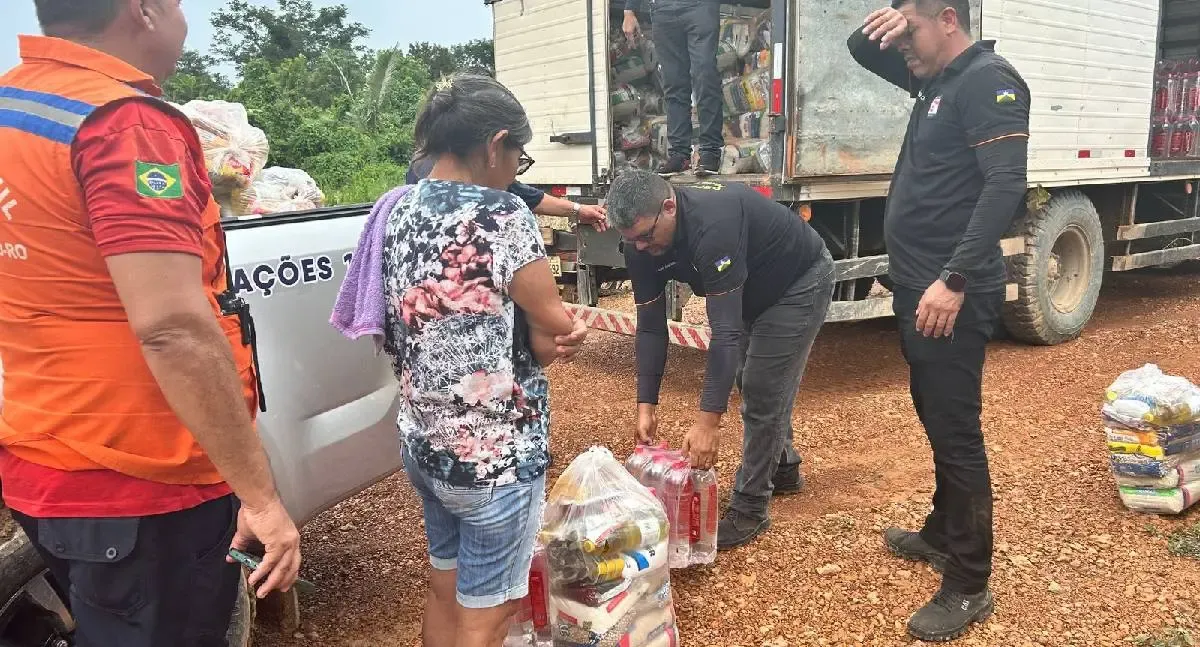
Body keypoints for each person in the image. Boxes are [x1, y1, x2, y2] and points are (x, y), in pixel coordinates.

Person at [0, 0, 302, 644]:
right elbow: (172, 325)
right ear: (143, 8)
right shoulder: (124, 124)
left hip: (39, 454)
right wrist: (262, 499)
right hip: (143, 478)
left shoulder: (14, 109)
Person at [848, 0, 1030, 641]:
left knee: (956, 431)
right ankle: (941, 530)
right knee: (932, 408)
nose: (904, 48)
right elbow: (861, 49)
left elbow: (1005, 186)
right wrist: (891, 23)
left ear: (949, 18)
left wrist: (953, 279)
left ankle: (969, 582)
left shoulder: (987, 79)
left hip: (953, 294)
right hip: (920, 290)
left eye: (914, 30)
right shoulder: (937, 80)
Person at [386, 73, 588, 647]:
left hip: (424, 442)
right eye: (519, 158)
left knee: (444, 588)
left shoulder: (400, 208)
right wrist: (563, 331)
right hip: (492, 457)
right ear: (496, 144)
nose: (515, 171)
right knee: (489, 613)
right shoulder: (502, 214)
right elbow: (551, 316)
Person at [606, 171, 834, 549]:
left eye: (645, 236)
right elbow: (650, 328)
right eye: (631, 240)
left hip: (797, 282)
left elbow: (724, 334)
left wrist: (708, 423)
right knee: (752, 379)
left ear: (669, 206)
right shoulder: (640, 243)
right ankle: (783, 466)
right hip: (748, 286)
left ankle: (750, 506)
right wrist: (645, 405)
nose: (641, 248)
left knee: (762, 386)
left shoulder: (713, 225)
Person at [622, 0, 724, 177]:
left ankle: (710, 150)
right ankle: (679, 154)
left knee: (704, 74)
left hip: (700, 6)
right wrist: (629, 11)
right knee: (673, 83)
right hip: (663, 11)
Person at [408, 153, 609, 231]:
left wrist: (578, 209)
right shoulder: (510, 217)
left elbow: (531, 197)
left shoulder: (400, 209)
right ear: (493, 146)